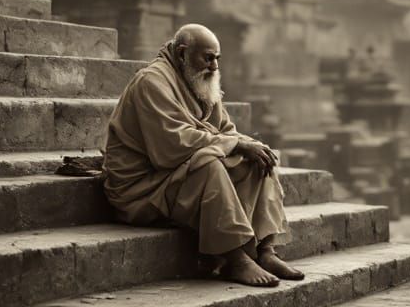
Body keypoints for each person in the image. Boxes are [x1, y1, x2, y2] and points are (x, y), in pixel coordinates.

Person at [102, 24, 303, 287]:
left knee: (258, 158)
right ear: (183, 53)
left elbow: (226, 131)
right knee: (209, 165)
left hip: (173, 175)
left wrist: (247, 145)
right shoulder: (151, 82)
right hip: (142, 188)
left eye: (217, 59)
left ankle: (265, 250)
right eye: (208, 58)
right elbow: (172, 145)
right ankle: (235, 260)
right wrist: (236, 145)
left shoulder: (200, 80)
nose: (214, 67)